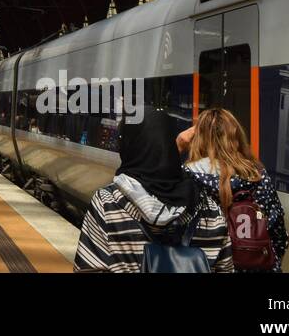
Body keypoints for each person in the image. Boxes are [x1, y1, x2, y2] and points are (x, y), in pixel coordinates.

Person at [74, 111, 234, 273]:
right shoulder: (209, 207)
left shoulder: (107, 202)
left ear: (128, 146)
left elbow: (87, 269)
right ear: (169, 145)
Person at [180, 108, 288, 272]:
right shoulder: (257, 176)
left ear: (198, 139)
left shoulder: (186, 176)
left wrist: (178, 146)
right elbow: (278, 232)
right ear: (236, 139)